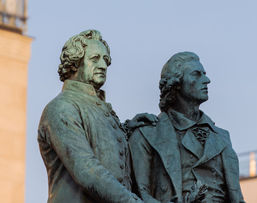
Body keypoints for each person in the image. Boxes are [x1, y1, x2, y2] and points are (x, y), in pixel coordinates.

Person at [38, 30, 155, 203]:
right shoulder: (61, 107)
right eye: (95, 59)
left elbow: (102, 144)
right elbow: (87, 170)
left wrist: (127, 130)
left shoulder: (99, 109)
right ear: (74, 63)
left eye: (106, 60)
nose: (103, 65)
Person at [129, 51, 246, 203]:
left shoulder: (222, 137)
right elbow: (138, 194)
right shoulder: (147, 133)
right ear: (176, 83)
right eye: (197, 74)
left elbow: (236, 196)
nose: (207, 80)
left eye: (204, 74)